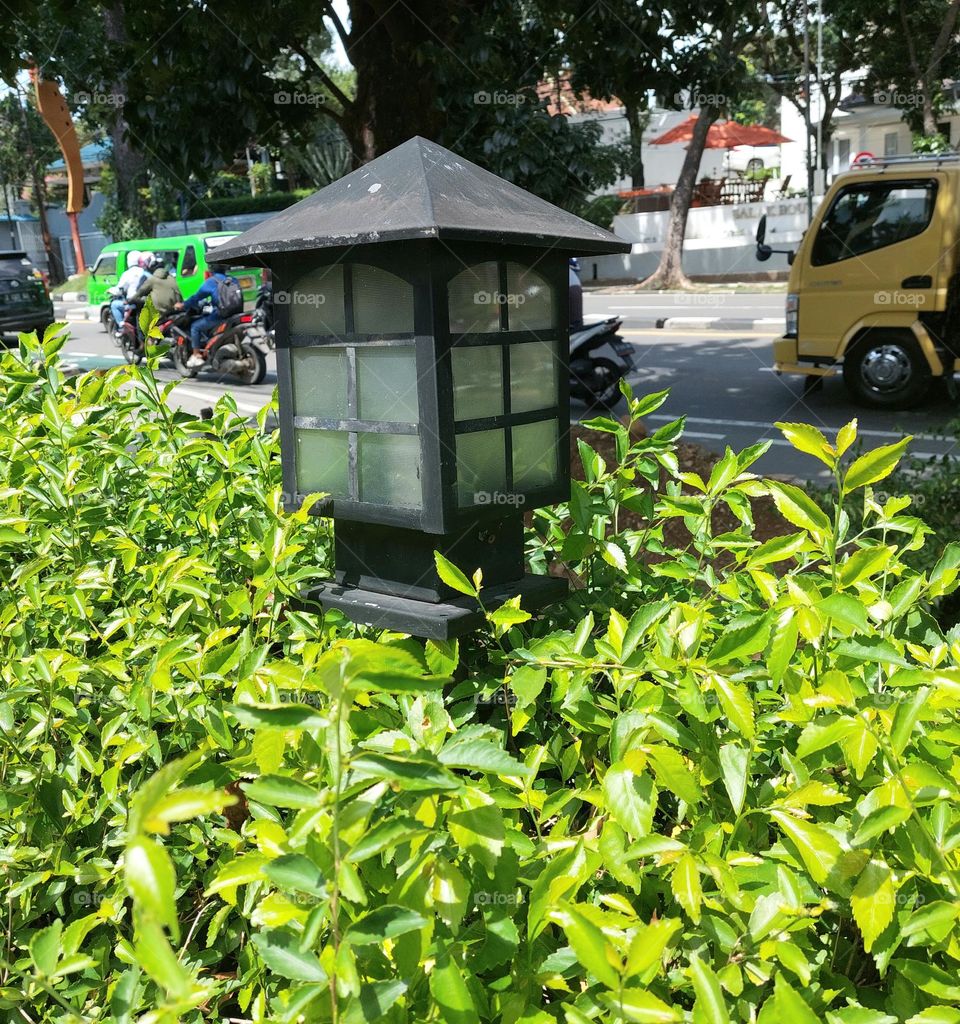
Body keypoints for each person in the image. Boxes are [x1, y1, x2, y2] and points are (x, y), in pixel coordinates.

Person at [174, 263, 243, 369]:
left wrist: (183, 305)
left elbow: (196, 297)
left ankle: (196, 355)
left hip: (221, 316)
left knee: (195, 327)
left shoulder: (212, 281)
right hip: (236, 314)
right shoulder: (233, 279)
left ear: (211, 270)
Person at [110, 250, 147, 329]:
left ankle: (121, 326)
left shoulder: (127, 274)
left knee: (114, 305)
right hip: (144, 301)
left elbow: (119, 289)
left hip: (132, 302)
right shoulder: (145, 272)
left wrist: (110, 290)